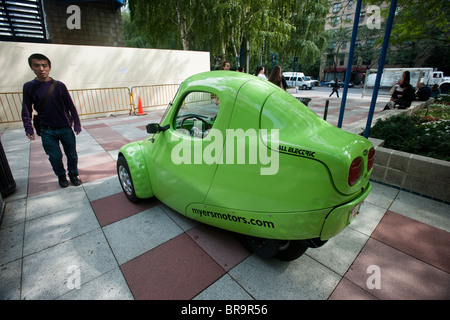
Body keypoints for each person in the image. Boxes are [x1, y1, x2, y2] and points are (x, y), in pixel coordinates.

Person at [22, 53, 82, 188]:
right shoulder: (29, 87)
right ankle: (61, 176)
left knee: (72, 155)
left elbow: (70, 105)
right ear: (32, 67)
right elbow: (26, 109)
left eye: (44, 65)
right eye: (37, 66)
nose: (41, 69)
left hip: (65, 128)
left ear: (49, 67)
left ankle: (73, 175)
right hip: (47, 131)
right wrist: (28, 128)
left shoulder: (59, 85)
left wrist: (77, 124)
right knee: (55, 157)